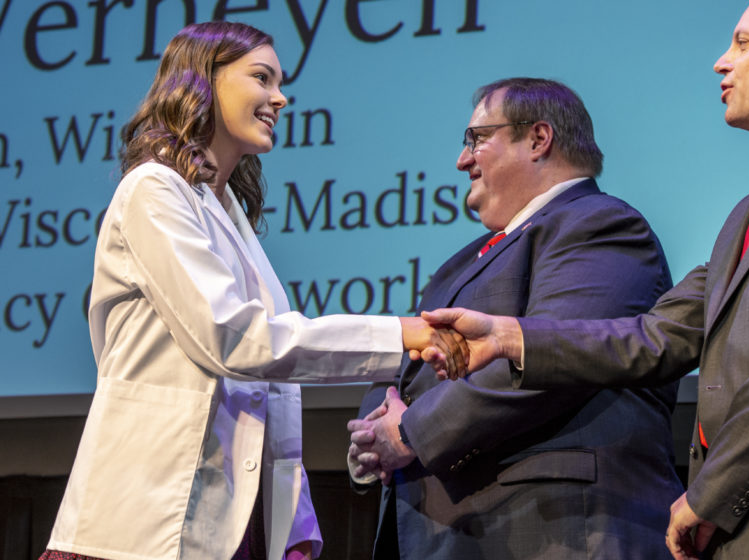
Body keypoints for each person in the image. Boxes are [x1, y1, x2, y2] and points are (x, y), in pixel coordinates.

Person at [424, 1, 749, 558]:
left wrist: (715, 488)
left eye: (743, 43)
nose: (721, 62)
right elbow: (659, 335)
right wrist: (511, 338)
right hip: (746, 520)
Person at [38, 21, 465, 560]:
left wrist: (293, 520)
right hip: (146, 519)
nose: (280, 98)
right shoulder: (152, 189)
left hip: (235, 517)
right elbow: (237, 341)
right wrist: (403, 333)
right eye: (262, 77)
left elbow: (269, 391)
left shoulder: (227, 212)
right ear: (201, 82)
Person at [346, 78, 684, 559]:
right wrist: (370, 439)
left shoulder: (599, 224)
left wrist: (409, 432)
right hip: (458, 534)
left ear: (538, 139)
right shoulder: (462, 261)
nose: (462, 160)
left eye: (477, 140)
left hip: (556, 533)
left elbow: (554, 355)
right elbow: (407, 376)